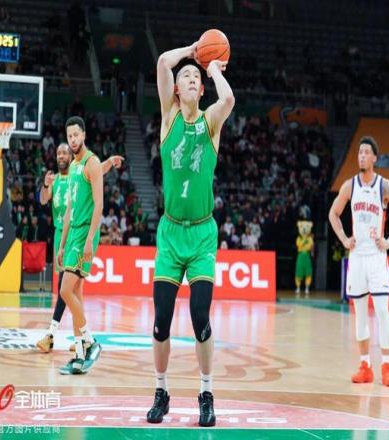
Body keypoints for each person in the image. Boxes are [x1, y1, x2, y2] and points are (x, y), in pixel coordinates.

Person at [146, 42, 234, 427]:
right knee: (161, 321)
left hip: (201, 236)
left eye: (196, 77)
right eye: (186, 76)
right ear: (177, 89)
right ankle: (161, 391)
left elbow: (228, 99)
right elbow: (163, 62)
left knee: (200, 316)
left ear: (200, 89)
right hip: (170, 234)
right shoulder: (168, 117)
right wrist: (194, 50)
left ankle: (206, 393)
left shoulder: (210, 121)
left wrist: (212, 69)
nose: (191, 78)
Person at [329, 136, 389, 387]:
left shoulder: (384, 186)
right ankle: (365, 366)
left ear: (374, 157)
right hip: (357, 258)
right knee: (360, 315)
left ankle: (386, 366)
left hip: (376, 257)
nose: (362, 156)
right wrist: (344, 238)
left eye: (366, 152)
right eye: (360, 152)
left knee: (383, 312)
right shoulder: (349, 186)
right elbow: (333, 213)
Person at [36, 143, 123, 353]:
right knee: (72, 289)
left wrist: (109, 162)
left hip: (77, 232)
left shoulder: (78, 172)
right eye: (58, 153)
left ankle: (57, 334)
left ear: (71, 156)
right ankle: (81, 339)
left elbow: (96, 170)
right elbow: (43, 200)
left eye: (64, 152)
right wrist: (45, 185)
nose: (61, 156)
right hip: (61, 233)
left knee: (67, 288)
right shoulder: (56, 180)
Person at [56, 116, 119, 374]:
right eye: (69, 136)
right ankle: (80, 357)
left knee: (65, 291)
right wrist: (61, 245)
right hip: (72, 235)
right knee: (76, 296)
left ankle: (91, 342)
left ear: (83, 135)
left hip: (85, 235)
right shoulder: (74, 166)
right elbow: (69, 209)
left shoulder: (91, 161)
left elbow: (99, 205)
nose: (72, 140)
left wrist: (91, 240)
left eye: (76, 135)